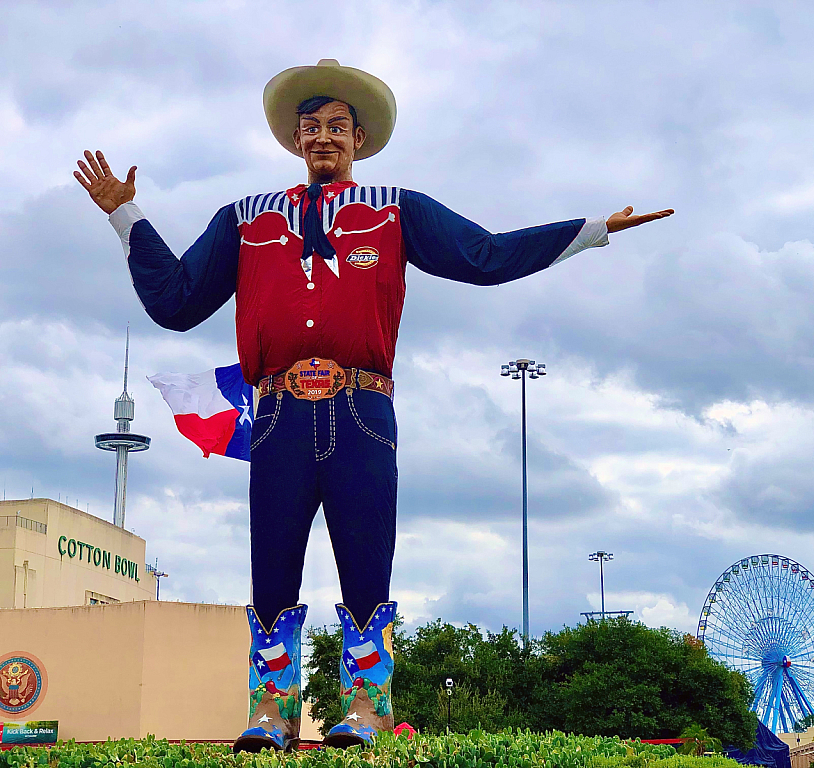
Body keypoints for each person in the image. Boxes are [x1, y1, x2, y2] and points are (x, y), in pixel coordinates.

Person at [74, 59, 673, 751]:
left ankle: (367, 707)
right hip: (277, 411)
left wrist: (593, 229)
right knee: (272, 563)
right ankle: (270, 710)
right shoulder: (245, 219)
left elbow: (483, 254)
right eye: (310, 128)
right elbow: (176, 301)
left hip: (362, 406)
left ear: (359, 138)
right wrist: (125, 213)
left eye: (336, 127)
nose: (322, 138)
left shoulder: (396, 208)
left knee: (366, 560)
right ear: (294, 141)